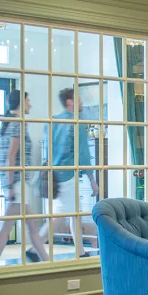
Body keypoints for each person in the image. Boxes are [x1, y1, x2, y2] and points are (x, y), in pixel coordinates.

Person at [38, 88, 99, 258]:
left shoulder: (53, 122)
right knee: (61, 215)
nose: (81, 102)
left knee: (74, 213)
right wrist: (92, 179)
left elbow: (49, 150)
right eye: (78, 99)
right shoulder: (76, 123)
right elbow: (83, 154)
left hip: (54, 175)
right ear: (69, 102)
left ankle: (80, 251)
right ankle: (36, 245)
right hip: (68, 175)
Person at [0, 91, 48, 264]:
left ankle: (47, 262)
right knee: (10, 227)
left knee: (30, 225)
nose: (30, 104)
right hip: (16, 183)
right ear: (20, 103)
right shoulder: (18, 123)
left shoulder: (9, 123)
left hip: (14, 181)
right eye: (28, 100)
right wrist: (10, 187)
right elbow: (11, 155)